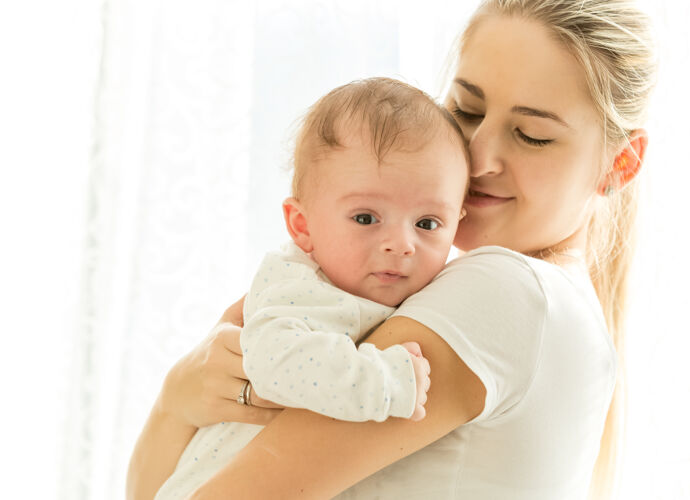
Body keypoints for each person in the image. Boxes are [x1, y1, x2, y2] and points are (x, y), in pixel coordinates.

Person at [127, 0, 657, 498]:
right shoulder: (532, 300)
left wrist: (178, 401)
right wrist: (179, 397)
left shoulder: (509, 292)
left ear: (622, 163)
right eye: (467, 110)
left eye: (530, 134)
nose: (476, 156)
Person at [153, 77, 470, 499]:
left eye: (427, 224)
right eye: (365, 218)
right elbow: (276, 365)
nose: (402, 243)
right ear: (302, 227)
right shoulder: (301, 290)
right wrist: (381, 381)